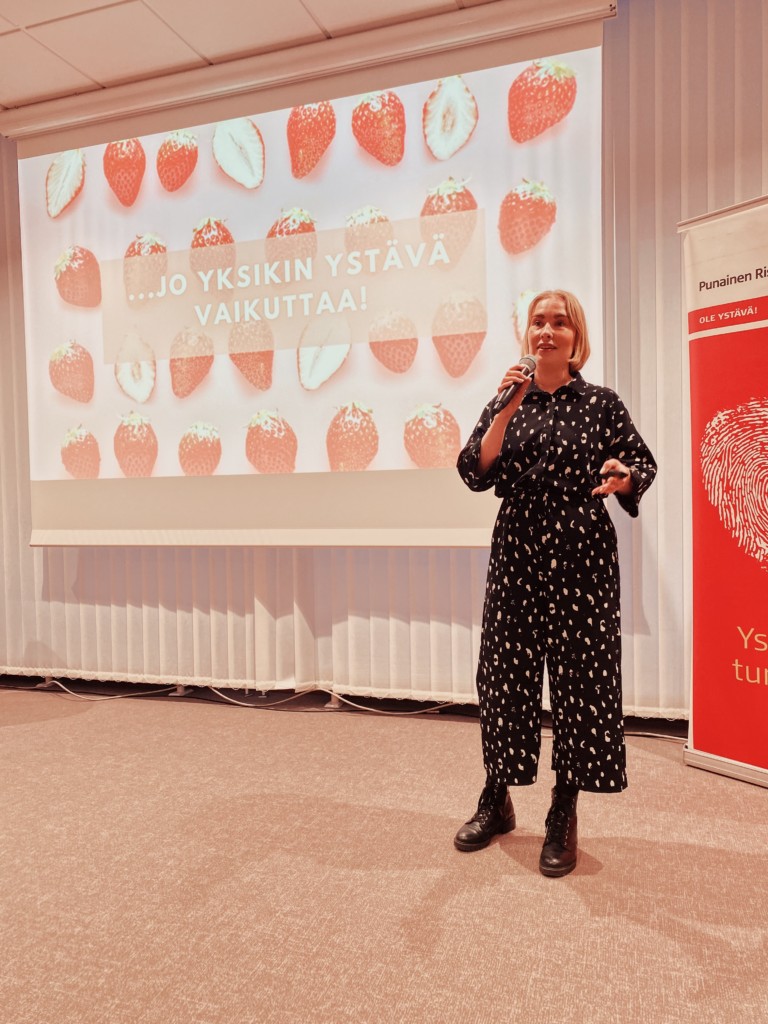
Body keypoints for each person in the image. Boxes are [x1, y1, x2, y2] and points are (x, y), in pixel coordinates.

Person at [454, 289, 656, 877]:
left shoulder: (600, 402)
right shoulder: (507, 398)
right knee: (503, 674)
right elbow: (475, 469)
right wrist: (506, 406)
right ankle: (498, 797)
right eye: (538, 322)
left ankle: (563, 810)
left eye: (559, 322)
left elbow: (637, 463)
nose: (546, 331)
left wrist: (622, 479)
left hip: (582, 553)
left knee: (581, 680)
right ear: (528, 334)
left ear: (576, 337)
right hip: (516, 550)